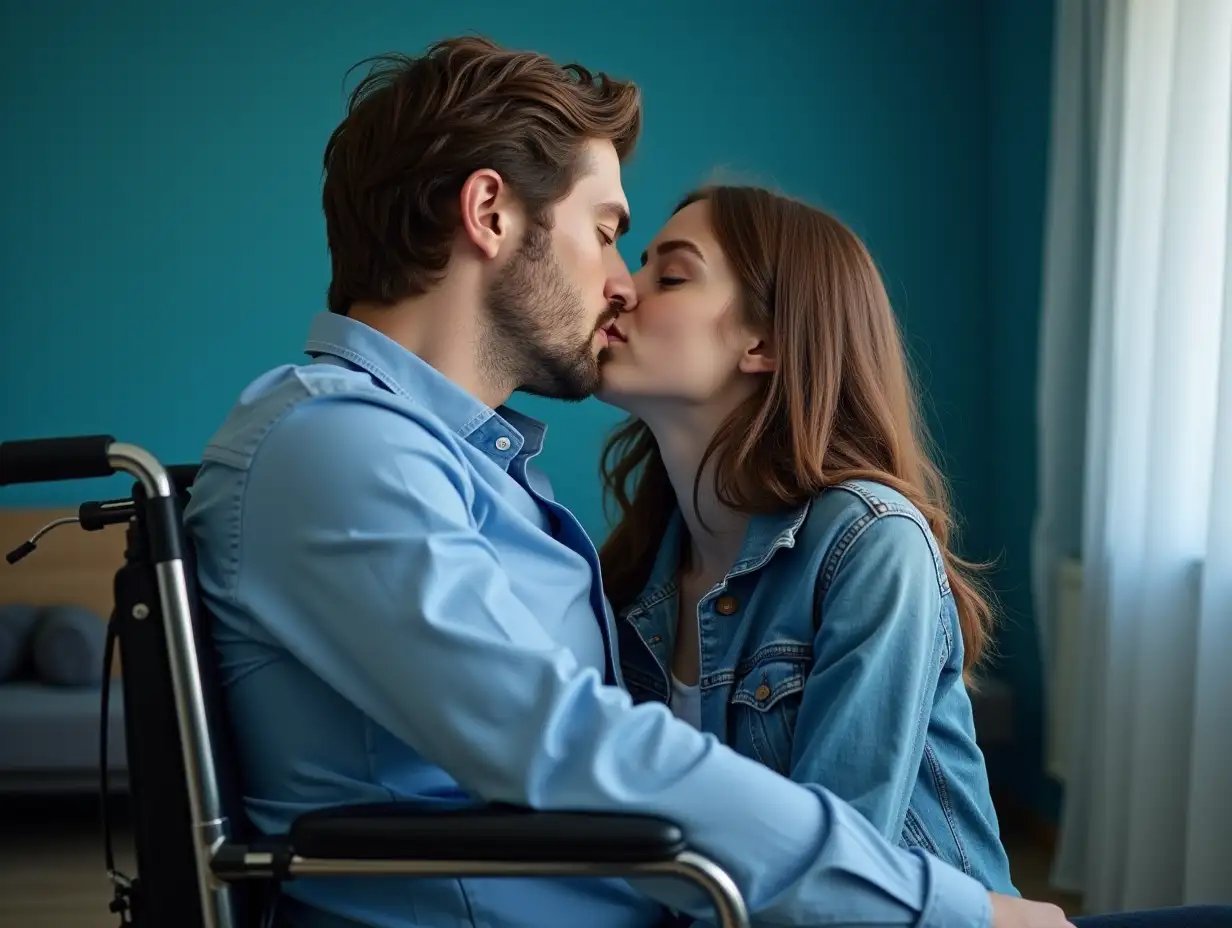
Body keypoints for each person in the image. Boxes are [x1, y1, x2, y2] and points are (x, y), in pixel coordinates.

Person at [183, 35, 1075, 928]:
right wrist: (964, 914)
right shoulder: (336, 448)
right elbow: (565, 744)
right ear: (490, 213)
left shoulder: (458, 471)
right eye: (608, 233)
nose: (619, 285)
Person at [595, 185, 1016, 895]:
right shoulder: (636, 571)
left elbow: (840, 875)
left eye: (669, 275)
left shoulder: (870, 544)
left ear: (764, 341)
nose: (618, 290)